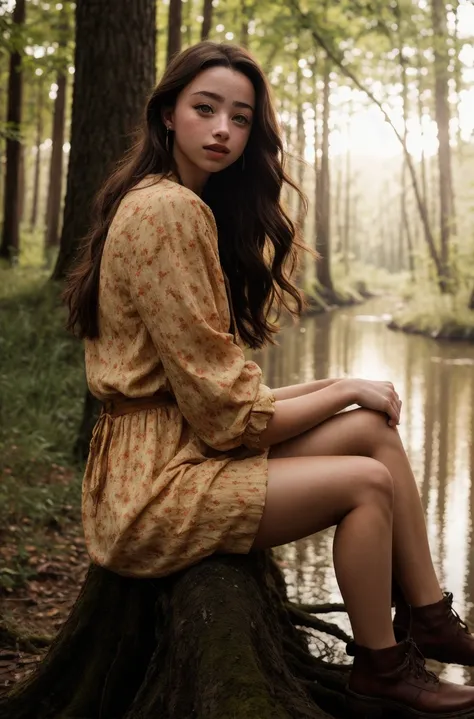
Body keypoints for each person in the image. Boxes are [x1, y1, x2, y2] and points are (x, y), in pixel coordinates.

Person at [64, 41, 474, 717]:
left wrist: (342, 384)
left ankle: (427, 614)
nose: (224, 128)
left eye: (241, 117)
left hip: (180, 452)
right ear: (168, 114)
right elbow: (226, 415)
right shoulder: (169, 211)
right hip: (153, 489)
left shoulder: (169, 201)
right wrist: (339, 388)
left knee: (372, 429)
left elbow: (217, 397)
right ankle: (382, 667)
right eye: (205, 108)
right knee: (364, 483)